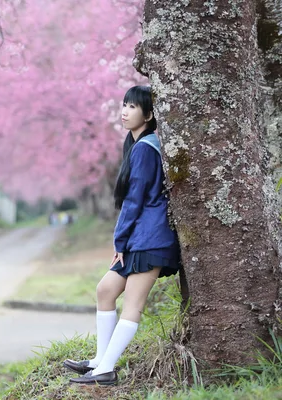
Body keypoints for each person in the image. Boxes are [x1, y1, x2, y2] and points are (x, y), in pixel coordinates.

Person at [63, 85, 181, 385]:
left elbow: (135, 199)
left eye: (133, 106)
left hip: (151, 237)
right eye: (124, 104)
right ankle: (100, 360)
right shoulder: (137, 144)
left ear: (149, 114)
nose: (125, 111)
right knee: (105, 290)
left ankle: (106, 369)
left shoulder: (145, 147)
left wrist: (120, 239)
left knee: (133, 302)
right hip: (140, 237)